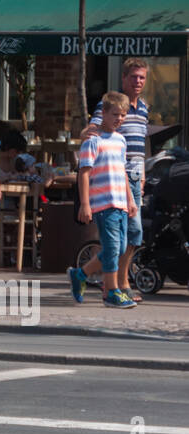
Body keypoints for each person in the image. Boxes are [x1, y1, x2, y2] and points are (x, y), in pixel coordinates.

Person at [76, 58, 150, 302]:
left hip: (131, 178)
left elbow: (139, 145)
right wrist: (86, 135)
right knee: (123, 237)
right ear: (124, 78)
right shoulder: (110, 106)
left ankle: (91, 276)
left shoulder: (143, 108)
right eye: (133, 77)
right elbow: (93, 130)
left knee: (129, 237)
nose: (138, 81)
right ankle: (117, 286)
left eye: (142, 77)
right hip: (112, 183)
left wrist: (143, 174)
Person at [69, 92, 138, 309]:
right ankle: (111, 292)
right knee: (111, 247)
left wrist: (131, 200)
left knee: (118, 248)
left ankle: (80, 274)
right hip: (102, 202)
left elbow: (122, 172)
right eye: (115, 114)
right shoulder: (93, 141)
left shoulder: (120, 140)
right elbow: (84, 173)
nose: (119, 118)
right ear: (103, 114)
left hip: (121, 202)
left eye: (123, 115)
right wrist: (85, 203)